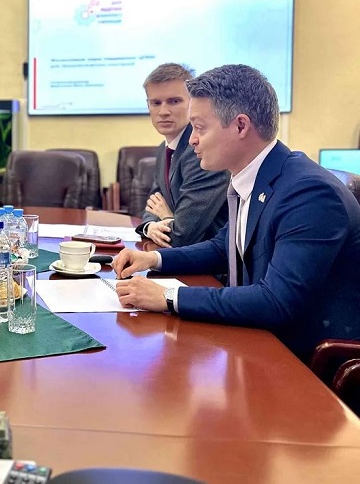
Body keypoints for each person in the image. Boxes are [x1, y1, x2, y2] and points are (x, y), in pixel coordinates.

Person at [113, 64, 360, 360]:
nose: (191, 140)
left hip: (308, 363)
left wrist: (167, 296)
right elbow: (223, 247)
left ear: (241, 126)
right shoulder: (258, 176)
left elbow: (276, 301)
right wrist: (154, 259)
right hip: (259, 341)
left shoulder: (308, 193)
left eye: (200, 127)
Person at [136, 63, 229, 248]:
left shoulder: (202, 152)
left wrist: (167, 217)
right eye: (156, 103)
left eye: (174, 101)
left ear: (193, 104)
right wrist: (150, 226)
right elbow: (154, 201)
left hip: (212, 260)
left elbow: (182, 236)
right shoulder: (163, 149)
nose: (163, 112)